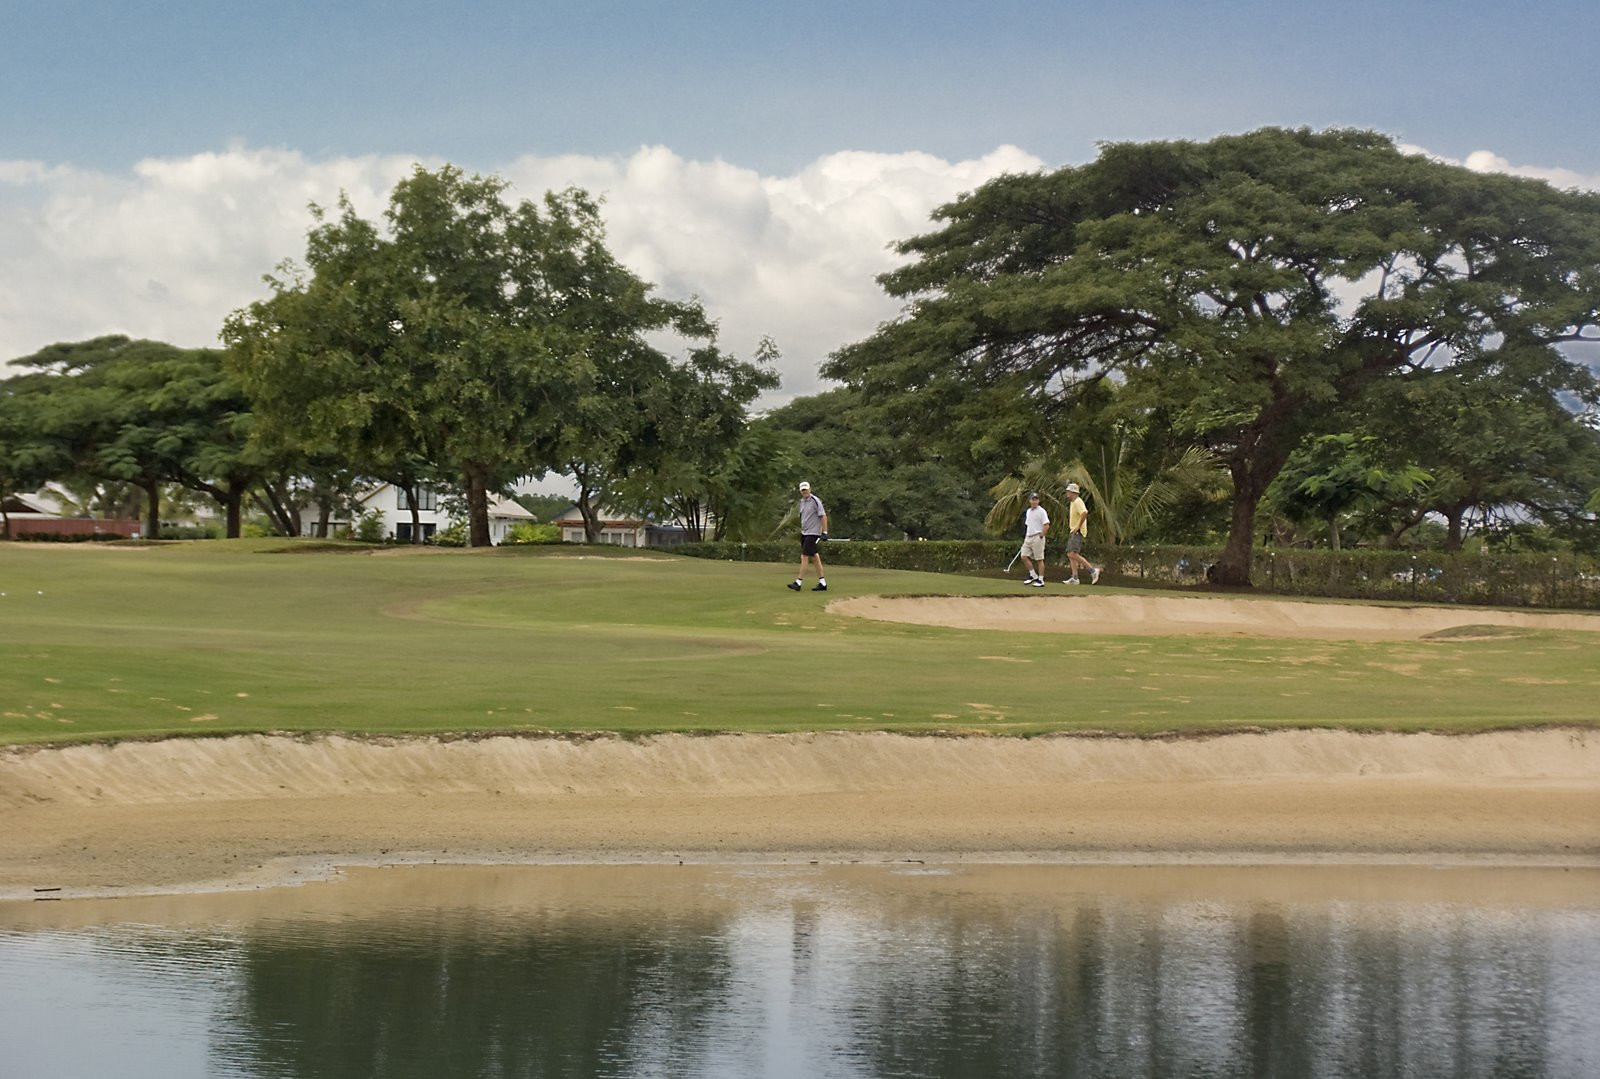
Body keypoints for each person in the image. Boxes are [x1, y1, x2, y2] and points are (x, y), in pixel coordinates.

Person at [788, 481, 829, 591]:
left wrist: (824, 532)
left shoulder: (815, 501)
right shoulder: (802, 502)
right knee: (815, 557)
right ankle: (823, 583)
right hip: (805, 533)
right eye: (802, 490)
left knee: (804, 556)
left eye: (806, 489)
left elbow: (823, 516)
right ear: (800, 491)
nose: (804, 492)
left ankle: (798, 582)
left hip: (813, 533)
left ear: (810, 489)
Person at [1062, 482, 1102, 584]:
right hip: (1073, 530)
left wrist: (1078, 527)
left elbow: (1084, 513)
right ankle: (1075, 577)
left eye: (1069, 491)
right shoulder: (1073, 502)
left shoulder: (1078, 501)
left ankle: (1092, 570)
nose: (1067, 493)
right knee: (1070, 554)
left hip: (1077, 531)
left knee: (1072, 553)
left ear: (1073, 492)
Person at [1018, 490, 1049, 587]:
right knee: (1024, 556)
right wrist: (1026, 536)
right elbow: (1028, 525)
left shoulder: (1042, 511)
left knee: (1039, 559)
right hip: (1028, 537)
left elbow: (1046, 525)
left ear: (1038, 501)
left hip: (1037, 536)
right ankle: (1033, 575)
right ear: (1030, 501)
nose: (1035, 501)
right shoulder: (1028, 512)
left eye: (1036, 499)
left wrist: (1041, 535)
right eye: (1033, 499)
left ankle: (1041, 580)